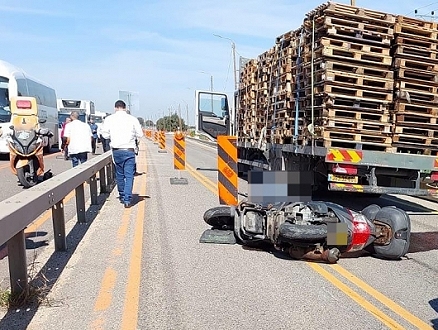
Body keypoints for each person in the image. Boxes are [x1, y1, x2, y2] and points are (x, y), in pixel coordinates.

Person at [100, 100, 143, 208]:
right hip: (129, 150)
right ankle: (127, 200)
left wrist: (113, 136)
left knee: (119, 174)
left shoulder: (109, 119)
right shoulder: (132, 119)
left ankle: (122, 195)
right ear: (125, 108)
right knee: (129, 175)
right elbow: (140, 134)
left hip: (117, 150)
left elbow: (104, 135)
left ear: (115, 108)